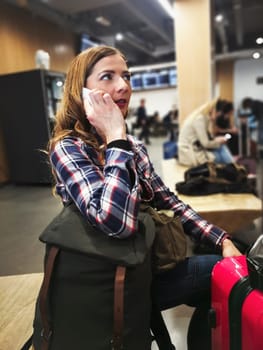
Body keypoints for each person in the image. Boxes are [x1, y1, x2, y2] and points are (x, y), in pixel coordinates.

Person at [47, 46, 241, 349]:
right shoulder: (69, 147)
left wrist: (222, 240)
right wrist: (115, 138)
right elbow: (114, 222)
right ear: (80, 91)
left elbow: (168, 202)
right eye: (107, 77)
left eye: (126, 76)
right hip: (108, 281)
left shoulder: (133, 146)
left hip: (145, 266)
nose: (123, 85)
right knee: (222, 274)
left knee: (230, 269)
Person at [178, 98, 234, 166]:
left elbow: (205, 139)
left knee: (221, 150)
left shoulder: (203, 118)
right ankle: (235, 168)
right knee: (221, 150)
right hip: (190, 153)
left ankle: (234, 168)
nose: (218, 116)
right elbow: (206, 143)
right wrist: (218, 142)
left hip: (193, 149)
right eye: (217, 113)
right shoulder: (199, 119)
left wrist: (216, 140)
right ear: (213, 110)